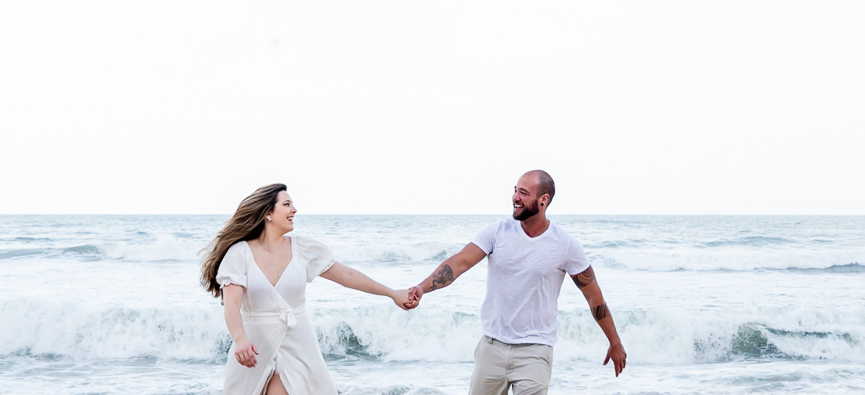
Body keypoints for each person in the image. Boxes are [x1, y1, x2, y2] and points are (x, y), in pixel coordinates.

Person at [402, 170, 626, 395]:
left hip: (535, 352)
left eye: (524, 193)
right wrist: (422, 287)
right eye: (515, 190)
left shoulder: (566, 245)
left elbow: (593, 297)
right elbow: (459, 263)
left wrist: (614, 342)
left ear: (543, 200)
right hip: (492, 348)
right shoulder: (496, 231)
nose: (515, 197)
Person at [201, 183, 409, 395]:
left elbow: (348, 276)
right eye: (287, 204)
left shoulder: (303, 249)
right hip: (256, 343)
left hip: (298, 342)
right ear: (268, 213)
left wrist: (391, 293)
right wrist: (240, 339)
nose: (294, 210)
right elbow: (232, 305)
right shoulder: (240, 253)